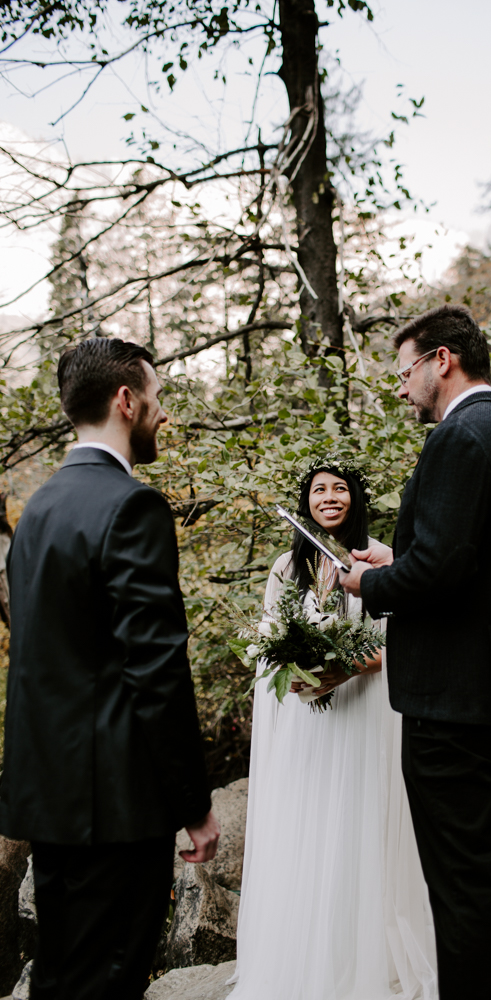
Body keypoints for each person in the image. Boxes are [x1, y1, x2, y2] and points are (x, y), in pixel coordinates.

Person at [341, 304, 491, 1000]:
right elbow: (464, 563)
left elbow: (437, 576)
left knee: (459, 881)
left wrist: (368, 580)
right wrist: (401, 556)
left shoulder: (459, 438)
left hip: (453, 703)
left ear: (443, 360)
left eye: (404, 372)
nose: (400, 389)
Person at [0, 338, 220, 1000]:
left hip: (51, 799)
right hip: (117, 809)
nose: (162, 416)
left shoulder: (36, 509)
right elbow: (156, 671)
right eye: (155, 399)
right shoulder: (131, 507)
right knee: (110, 981)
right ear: (126, 400)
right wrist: (195, 804)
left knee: (62, 977)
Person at [228, 460, 439, 1000]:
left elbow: (401, 640)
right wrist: (301, 668)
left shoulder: (378, 559)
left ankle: (365, 955)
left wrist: (351, 663)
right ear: (306, 503)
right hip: (310, 719)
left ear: (355, 499)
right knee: (311, 823)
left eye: (339, 488)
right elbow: (271, 643)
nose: (329, 497)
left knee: (360, 820)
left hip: (366, 709)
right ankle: (306, 954)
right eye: (318, 490)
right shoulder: (285, 567)